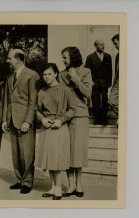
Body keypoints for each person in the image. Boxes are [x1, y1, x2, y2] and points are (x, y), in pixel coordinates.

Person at [36, 63, 76, 200]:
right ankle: (52, 187)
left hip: (59, 127)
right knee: (49, 158)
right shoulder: (41, 91)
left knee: (57, 159)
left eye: (49, 74)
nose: (46, 77)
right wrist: (42, 119)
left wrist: (61, 120)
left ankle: (58, 188)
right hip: (46, 128)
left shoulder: (65, 89)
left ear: (55, 74)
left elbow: (72, 109)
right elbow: (37, 110)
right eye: (44, 74)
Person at [2, 48, 39, 194]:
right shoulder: (10, 77)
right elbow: (7, 100)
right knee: (16, 153)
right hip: (12, 120)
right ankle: (19, 179)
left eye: (10, 58)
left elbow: (33, 100)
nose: (8, 60)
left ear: (18, 59)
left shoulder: (32, 75)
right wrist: (5, 119)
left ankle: (28, 182)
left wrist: (28, 121)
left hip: (25, 121)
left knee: (27, 153)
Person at [59, 47, 93, 198]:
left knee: (77, 151)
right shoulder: (60, 74)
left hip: (80, 116)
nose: (63, 60)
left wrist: (75, 78)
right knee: (67, 151)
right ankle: (71, 184)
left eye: (65, 57)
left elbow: (88, 93)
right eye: (62, 58)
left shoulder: (86, 72)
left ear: (73, 57)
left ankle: (79, 184)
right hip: (65, 116)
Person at [85, 40, 112, 125]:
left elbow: (110, 70)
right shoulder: (90, 57)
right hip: (95, 82)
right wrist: (90, 82)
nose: (103, 46)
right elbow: (87, 71)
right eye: (101, 44)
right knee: (95, 101)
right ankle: (97, 120)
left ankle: (104, 119)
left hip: (104, 82)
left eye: (103, 44)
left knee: (105, 100)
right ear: (95, 46)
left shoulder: (108, 56)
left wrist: (109, 81)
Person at [108, 34, 119, 120]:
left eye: (116, 43)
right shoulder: (117, 56)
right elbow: (116, 72)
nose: (115, 46)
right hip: (118, 82)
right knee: (111, 101)